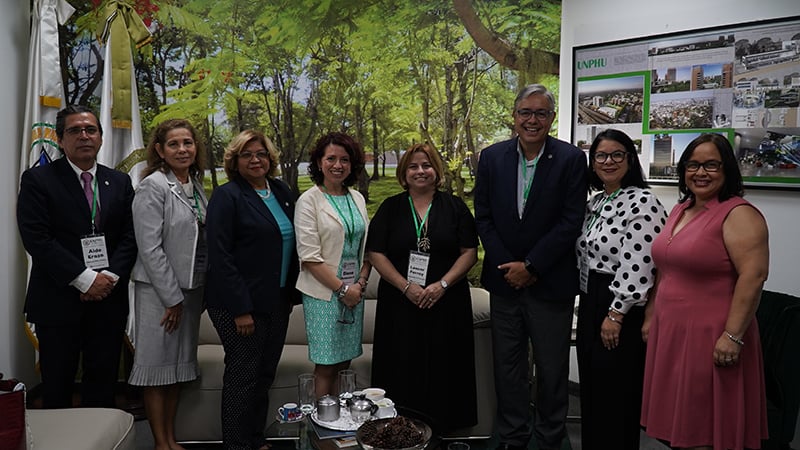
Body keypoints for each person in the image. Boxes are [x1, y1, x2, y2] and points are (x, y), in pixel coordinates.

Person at [474, 84, 587, 450]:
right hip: (505, 284)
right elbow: (484, 218)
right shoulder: (491, 158)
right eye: (526, 112)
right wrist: (511, 268)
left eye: (540, 113)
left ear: (551, 118)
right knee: (508, 367)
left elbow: (571, 220)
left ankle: (551, 436)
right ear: (514, 115)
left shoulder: (571, 159)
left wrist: (532, 265)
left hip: (550, 283)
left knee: (552, 368)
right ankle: (513, 434)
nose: (532, 120)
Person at [641, 133, 769, 450]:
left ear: (727, 170)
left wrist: (733, 336)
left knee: (704, 429)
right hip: (672, 333)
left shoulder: (739, 213)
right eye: (693, 165)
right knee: (678, 427)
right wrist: (651, 314)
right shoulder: (681, 209)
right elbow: (666, 268)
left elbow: (754, 276)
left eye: (711, 165)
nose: (701, 173)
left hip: (712, 337)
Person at [17, 105, 137, 408]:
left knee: (103, 381)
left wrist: (107, 278)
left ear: (100, 137)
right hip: (58, 300)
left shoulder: (119, 182)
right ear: (60, 139)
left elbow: (131, 236)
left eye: (91, 130)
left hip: (108, 299)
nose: (84, 136)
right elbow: (37, 238)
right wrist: (84, 280)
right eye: (74, 130)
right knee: (57, 385)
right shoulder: (38, 180)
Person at [367, 143, 479, 432]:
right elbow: (376, 253)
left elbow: (469, 252)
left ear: (436, 171)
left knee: (447, 369)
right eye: (413, 167)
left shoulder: (454, 207)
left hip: (446, 302)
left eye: (426, 165)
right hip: (400, 304)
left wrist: (441, 285)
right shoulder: (390, 207)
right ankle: (398, 434)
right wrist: (407, 287)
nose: (420, 171)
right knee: (402, 368)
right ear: (404, 174)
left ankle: (444, 433)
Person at [205, 130, 299, 450]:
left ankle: (255, 439)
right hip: (239, 306)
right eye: (246, 155)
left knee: (264, 375)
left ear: (270, 158)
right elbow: (220, 255)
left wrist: (290, 295)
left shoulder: (282, 191)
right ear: (235, 161)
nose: (255, 159)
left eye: (260, 153)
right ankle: (236, 444)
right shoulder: (227, 196)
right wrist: (240, 308)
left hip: (276, 300)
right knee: (242, 377)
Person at [574, 129, 667, 450]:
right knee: (593, 390)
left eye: (617, 155)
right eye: (601, 155)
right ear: (593, 161)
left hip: (619, 306)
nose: (608, 161)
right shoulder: (596, 202)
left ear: (630, 159)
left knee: (616, 394)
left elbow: (641, 263)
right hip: (591, 301)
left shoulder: (644, 201)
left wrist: (616, 313)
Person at [128, 119, 208, 450]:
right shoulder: (153, 186)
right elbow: (149, 248)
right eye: (173, 144)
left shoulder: (197, 184)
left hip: (190, 292)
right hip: (159, 295)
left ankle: (172, 439)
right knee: (156, 369)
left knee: (175, 370)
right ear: (159, 150)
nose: (182, 149)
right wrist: (172, 299)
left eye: (187, 143)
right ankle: (161, 442)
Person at [295, 132, 371, 398]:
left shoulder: (357, 198)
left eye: (344, 160)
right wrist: (343, 290)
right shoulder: (308, 201)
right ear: (318, 162)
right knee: (326, 364)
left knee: (344, 362)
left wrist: (360, 284)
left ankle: (342, 427)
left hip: (354, 290)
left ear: (352, 165)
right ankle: (323, 430)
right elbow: (310, 257)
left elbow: (366, 249)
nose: (338, 165)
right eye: (331, 159)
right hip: (324, 294)